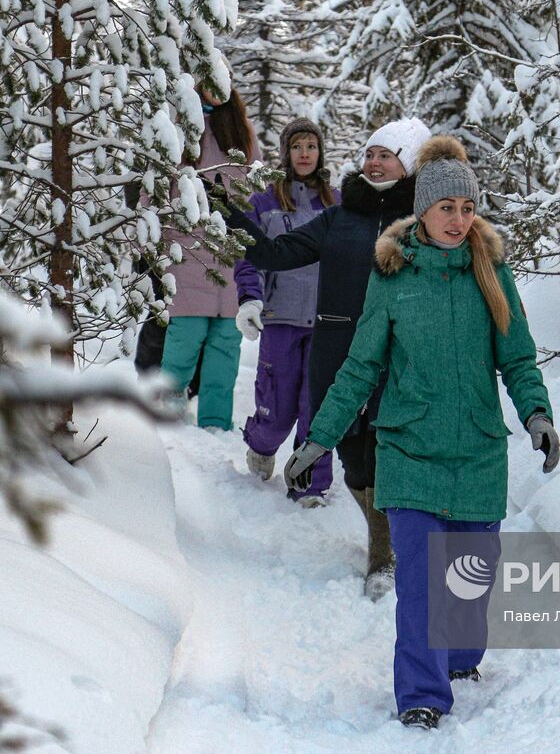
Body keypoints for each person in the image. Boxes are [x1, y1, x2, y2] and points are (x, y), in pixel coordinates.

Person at [282, 136, 560, 730]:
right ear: (424, 210)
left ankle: (458, 660)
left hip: (478, 451)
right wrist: (318, 438)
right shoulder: (393, 274)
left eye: (467, 208)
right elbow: (360, 367)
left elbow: (517, 359)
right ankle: (420, 696)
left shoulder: (492, 273)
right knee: (420, 584)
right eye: (447, 209)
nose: (459, 220)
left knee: (467, 589)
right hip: (408, 449)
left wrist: (537, 415)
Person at [225, 117, 433, 595]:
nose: (374, 162)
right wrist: (229, 219)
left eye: (386, 154)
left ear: (409, 163)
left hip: (396, 358)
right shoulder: (339, 218)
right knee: (351, 455)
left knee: (384, 451)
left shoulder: (422, 225)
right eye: (370, 154)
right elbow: (276, 253)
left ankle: (384, 556)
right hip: (336, 353)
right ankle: (383, 532)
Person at [234, 119, 339, 506]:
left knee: (318, 407)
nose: (305, 153)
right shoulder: (264, 202)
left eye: (312, 146)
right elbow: (248, 255)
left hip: (327, 323)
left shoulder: (337, 203)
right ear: (286, 153)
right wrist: (250, 298)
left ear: (321, 152)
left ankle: (309, 484)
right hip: (280, 319)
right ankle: (261, 447)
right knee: (276, 410)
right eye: (298, 146)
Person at [160, 86, 263, 430]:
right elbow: (154, 193)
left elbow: (258, 195)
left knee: (225, 349)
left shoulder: (242, 134)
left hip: (232, 261)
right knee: (183, 343)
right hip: (187, 255)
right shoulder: (178, 128)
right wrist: (156, 249)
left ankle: (216, 425)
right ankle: (169, 421)